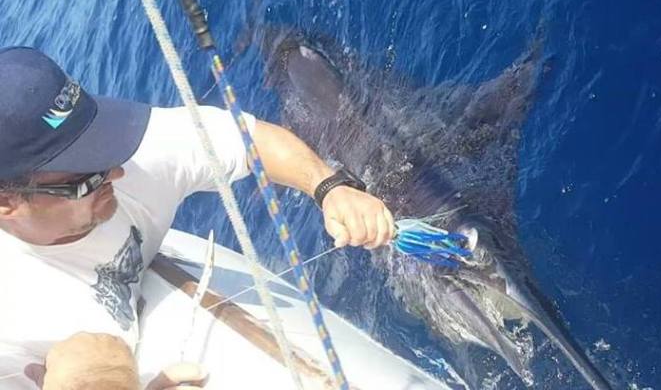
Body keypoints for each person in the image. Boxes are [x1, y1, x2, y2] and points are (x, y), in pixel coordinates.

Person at [0, 46, 396, 389]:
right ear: (7, 204)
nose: (115, 173)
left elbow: (246, 139)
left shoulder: (128, 156)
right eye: (84, 179)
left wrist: (330, 187)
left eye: (103, 148)